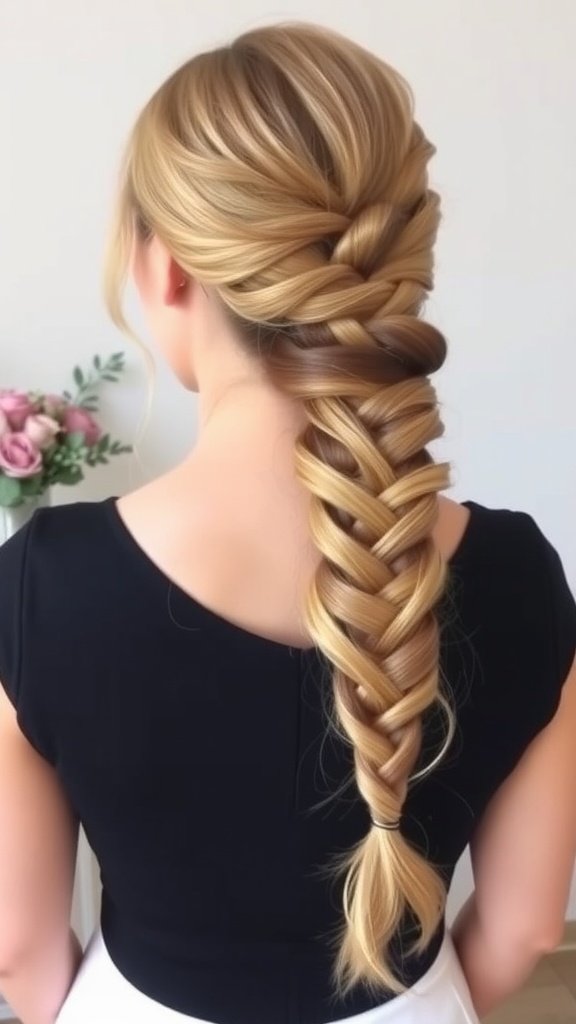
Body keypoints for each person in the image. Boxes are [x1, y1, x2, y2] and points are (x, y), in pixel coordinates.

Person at [0, 22, 575, 1024]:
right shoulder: (521, 573)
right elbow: (527, 925)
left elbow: (17, 940)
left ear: (168, 266)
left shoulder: (47, 583)